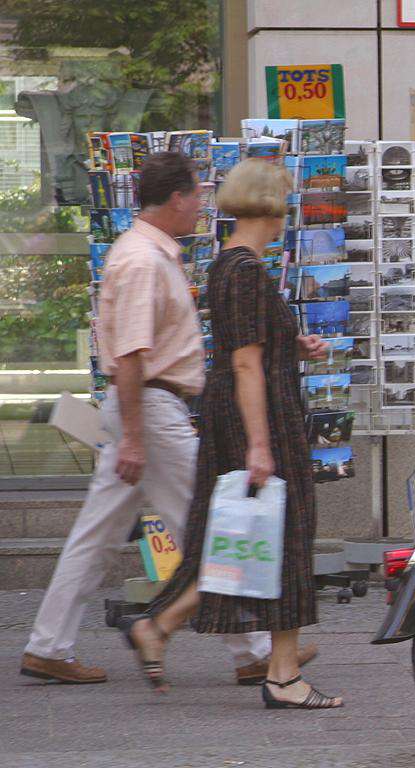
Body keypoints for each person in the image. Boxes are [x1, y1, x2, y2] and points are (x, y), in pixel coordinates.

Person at [20, 152, 278, 686]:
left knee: (97, 535)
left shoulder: (146, 253)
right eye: (198, 195)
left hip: (144, 408)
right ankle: (252, 650)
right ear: (177, 198)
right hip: (151, 410)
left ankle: (47, 645)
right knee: (206, 525)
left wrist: (132, 435)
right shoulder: (143, 260)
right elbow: (132, 355)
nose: (202, 205)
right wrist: (136, 439)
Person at [121, 159, 342, 709]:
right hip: (259, 417)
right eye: (284, 201)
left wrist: (294, 346)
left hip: (245, 411)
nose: (287, 212)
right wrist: (260, 445)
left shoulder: (232, 265)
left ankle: (169, 628)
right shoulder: (244, 270)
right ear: (270, 205)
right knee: (286, 537)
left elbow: (251, 347)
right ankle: (282, 676)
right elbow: (244, 363)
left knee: (252, 539)